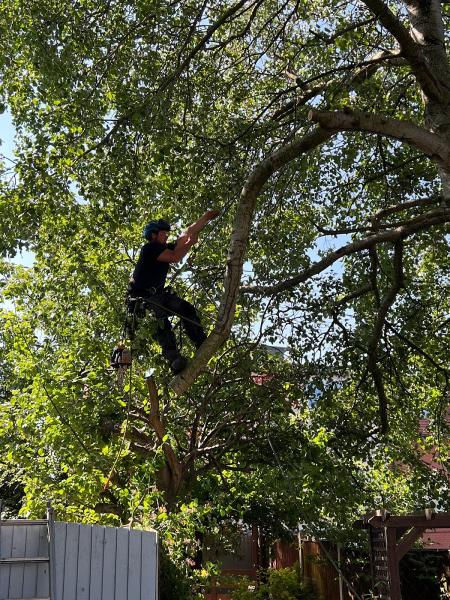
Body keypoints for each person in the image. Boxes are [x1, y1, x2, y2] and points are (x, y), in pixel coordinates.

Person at [128, 210, 219, 374]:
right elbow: (175, 257)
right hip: (144, 299)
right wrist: (191, 243)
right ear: (153, 235)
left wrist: (205, 218)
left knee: (186, 310)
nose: (166, 237)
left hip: (158, 294)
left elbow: (187, 233)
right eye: (163, 234)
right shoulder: (150, 249)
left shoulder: (164, 247)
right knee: (162, 326)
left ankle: (200, 341)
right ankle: (175, 359)